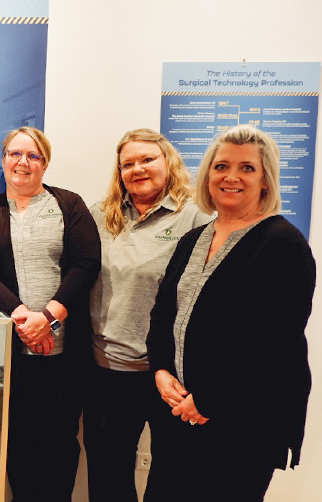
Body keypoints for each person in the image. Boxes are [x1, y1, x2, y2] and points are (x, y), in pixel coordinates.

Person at [146, 125, 314, 502]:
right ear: (208, 176)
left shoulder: (283, 246)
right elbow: (164, 314)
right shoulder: (195, 238)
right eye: (221, 166)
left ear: (266, 180)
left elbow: (274, 347)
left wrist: (208, 401)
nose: (231, 177)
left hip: (242, 424)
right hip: (178, 414)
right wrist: (159, 369)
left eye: (247, 168)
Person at [0, 126, 100, 502]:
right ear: (3, 159)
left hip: (63, 353)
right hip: (12, 354)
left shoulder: (68, 205)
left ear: (45, 163)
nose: (22, 162)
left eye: (33, 155)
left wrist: (49, 318)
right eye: (14, 154)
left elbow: (86, 264)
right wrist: (25, 317)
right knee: (16, 438)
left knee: (59, 441)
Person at [84, 129, 212, 502]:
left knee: (173, 478)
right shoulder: (101, 215)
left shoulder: (197, 218)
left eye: (147, 159)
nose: (137, 169)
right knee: (108, 479)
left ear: (168, 162)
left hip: (168, 377)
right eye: (128, 163)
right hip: (106, 369)